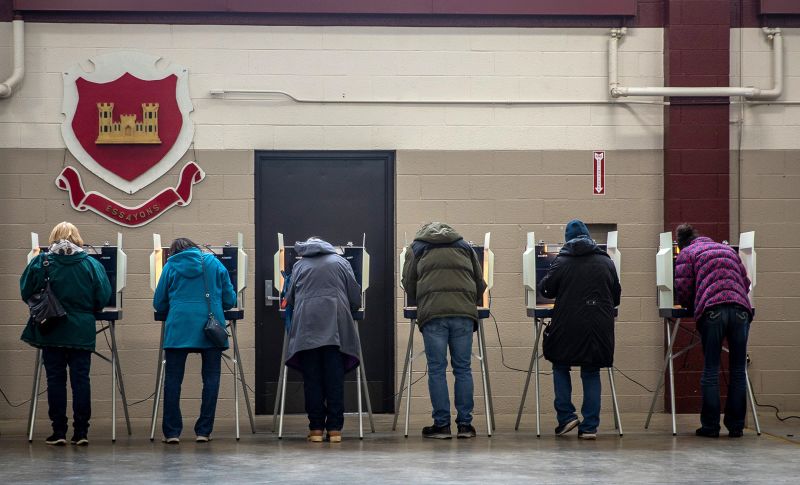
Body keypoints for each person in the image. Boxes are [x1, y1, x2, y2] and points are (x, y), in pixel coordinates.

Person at [20, 222, 112, 446]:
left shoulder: (41, 262)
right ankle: (81, 432)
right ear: (78, 237)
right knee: (81, 380)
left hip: (52, 328)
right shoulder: (91, 264)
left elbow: (25, 291)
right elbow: (104, 295)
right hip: (81, 329)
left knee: (55, 380)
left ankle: (58, 431)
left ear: (53, 237)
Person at [401, 222, 486, 439]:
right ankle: (465, 426)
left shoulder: (417, 248)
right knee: (463, 368)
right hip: (463, 314)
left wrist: (421, 299)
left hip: (433, 315)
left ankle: (442, 425)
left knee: (437, 369)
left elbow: (408, 282)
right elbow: (480, 282)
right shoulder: (465, 246)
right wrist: (469, 301)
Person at [538, 219, 621, 440]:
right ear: (589, 237)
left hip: (567, 324)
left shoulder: (562, 261)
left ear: (568, 240)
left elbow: (546, 289)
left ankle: (566, 416)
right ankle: (590, 427)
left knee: (560, 365)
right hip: (598, 326)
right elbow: (616, 296)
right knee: (591, 372)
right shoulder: (606, 261)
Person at [153, 238, 236, 443]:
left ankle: (172, 433)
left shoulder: (170, 265)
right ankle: (203, 431)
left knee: (173, 380)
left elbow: (159, 302)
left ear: (173, 252)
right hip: (209, 329)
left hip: (179, 327)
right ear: (195, 247)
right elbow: (229, 300)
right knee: (211, 379)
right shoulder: (214, 263)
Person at [674, 224, 753, 438]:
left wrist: (691, 304)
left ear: (681, 243)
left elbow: (683, 289)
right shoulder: (727, 250)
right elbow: (745, 282)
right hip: (740, 310)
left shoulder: (687, 253)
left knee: (711, 369)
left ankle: (710, 427)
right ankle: (736, 426)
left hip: (713, 311)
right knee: (738, 370)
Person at [283, 237, 362, 443]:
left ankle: (316, 428)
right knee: (334, 379)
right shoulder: (341, 263)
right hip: (335, 328)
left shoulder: (299, 265)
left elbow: (289, 297)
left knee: (312, 379)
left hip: (307, 327)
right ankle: (335, 429)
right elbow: (355, 295)